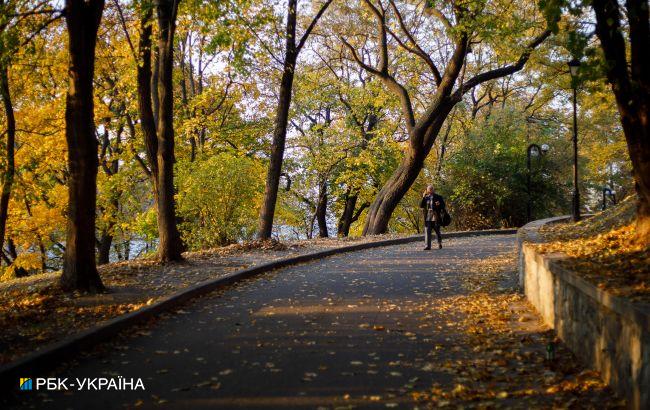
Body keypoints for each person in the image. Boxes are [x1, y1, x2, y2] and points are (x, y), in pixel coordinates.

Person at [419, 185, 446, 250]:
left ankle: (439, 243)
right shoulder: (426, 197)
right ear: (427, 190)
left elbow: (443, 206)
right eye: (429, 189)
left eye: (431, 189)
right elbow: (421, 206)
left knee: (437, 231)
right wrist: (423, 197)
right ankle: (427, 246)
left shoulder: (438, 197)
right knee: (427, 231)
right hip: (428, 217)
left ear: (433, 190)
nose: (430, 190)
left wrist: (439, 204)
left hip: (436, 216)